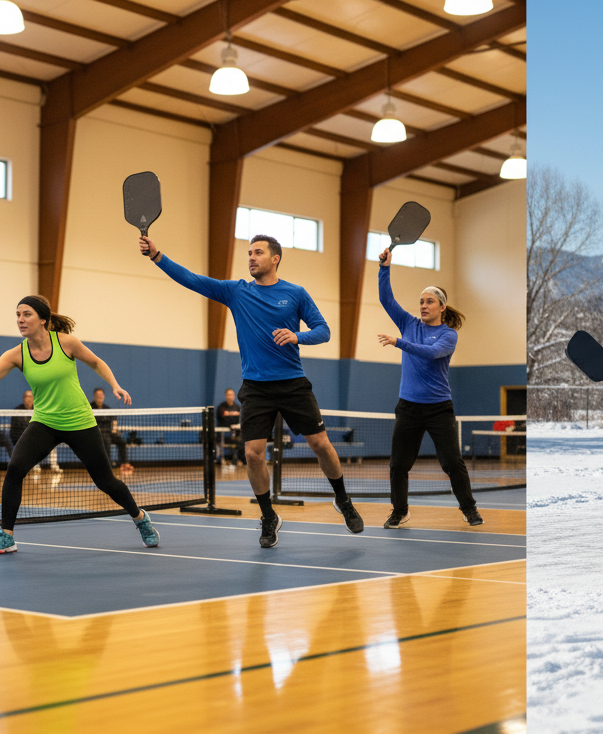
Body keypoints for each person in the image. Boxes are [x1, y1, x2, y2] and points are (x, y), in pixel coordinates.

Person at [142, 232, 364, 545]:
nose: (251, 257)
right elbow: (192, 279)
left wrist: (298, 336)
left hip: (292, 383)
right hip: (256, 388)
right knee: (253, 454)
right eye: (248, 253)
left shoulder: (295, 293)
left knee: (320, 443)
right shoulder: (237, 292)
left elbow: (324, 331)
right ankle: (268, 516)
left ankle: (342, 499)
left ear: (275, 259)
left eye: (257, 252)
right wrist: (157, 256)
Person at [0, 295, 160, 555]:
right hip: (45, 422)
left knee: (106, 482)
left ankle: (139, 518)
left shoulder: (66, 342)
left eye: (26, 314)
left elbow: (96, 362)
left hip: (79, 421)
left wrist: (115, 385)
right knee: (15, 469)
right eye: (18, 314)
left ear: (43, 319)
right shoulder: (17, 354)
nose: (20, 320)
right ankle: (6, 535)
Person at [376, 247, 482, 528]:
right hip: (408, 407)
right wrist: (384, 268)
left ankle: (469, 508)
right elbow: (386, 299)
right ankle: (400, 511)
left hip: (438, 409)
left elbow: (431, 353)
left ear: (442, 307)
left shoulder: (448, 335)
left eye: (430, 301)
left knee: (452, 463)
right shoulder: (409, 323)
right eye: (421, 301)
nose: (423, 305)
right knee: (398, 465)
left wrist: (399, 343)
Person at [91, 387, 131, 472]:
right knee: (106, 440)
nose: (100, 397)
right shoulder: (90, 408)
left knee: (121, 442)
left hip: (108, 433)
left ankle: (123, 463)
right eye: (98, 395)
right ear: (94, 396)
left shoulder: (107, 408)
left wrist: (114, 430)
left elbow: (113, 420)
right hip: (96, 435)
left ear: (104, 396)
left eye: (101, 395)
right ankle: (107, 464)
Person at [216, 388, 245, 467]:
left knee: (243, 441)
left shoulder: (237, 407)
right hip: (222, 435)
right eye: (228, 395)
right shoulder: (221, 407)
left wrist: (229, 414)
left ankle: (239, 460)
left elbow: (239, 418)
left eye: (231, 395)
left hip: (235, 435)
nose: (230, 397)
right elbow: (223, 416)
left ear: (234, 396)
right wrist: (232, 414)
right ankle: (223, 459)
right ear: (226, 396)